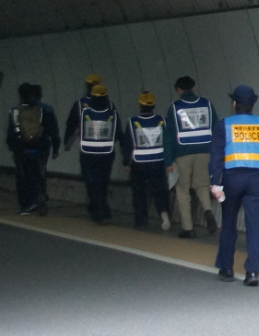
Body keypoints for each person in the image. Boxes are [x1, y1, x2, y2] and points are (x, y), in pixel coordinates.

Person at [210, 85, 259, 286]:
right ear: (252, 104)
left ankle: (227, 267)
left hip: (232, 178)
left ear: (234, 103)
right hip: (257, 179)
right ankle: (252, 273)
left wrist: (215, 181)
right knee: (255, 225)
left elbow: (216, 157)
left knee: (229, 221)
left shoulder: (224, 125)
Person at [166, 75, 219, 238]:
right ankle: (208, 211)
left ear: (179, 90)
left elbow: (169, 135)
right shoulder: (207, 104)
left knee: (183, 190)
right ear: (193, 88)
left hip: (183, 153)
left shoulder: (175, 107)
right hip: (205, 151)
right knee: (202, 185)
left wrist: (168, 160)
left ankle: (188, 228)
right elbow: (216, 127)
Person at [121, 92, 174, 232]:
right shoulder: (162, 120)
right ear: (154, 105)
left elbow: (128, 144)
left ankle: (141, 221)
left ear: (140, 105)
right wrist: (169, 161)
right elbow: (169, 141)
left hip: (139, 162)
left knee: (139, 193)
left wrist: (127, 163)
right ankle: (164, 213)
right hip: (158, 161)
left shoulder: (132, 122)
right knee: (160, 191)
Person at [7, 82, 59, 215]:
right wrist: (56, 147)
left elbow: (11, 133)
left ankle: (26, 205)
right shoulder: (45, 110)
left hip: (22, 148)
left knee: (23, 175)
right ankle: (40, 197)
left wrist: (13, 147)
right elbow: (53, 130)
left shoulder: (15, 111)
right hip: (41, 146)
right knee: (39, 172)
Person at [73, 83, 121, 225]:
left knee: (92, 183)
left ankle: (98, 212)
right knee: (103, 183)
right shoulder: (112, 112)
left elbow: (76, 128)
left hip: (88, 154)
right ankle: (103, 211)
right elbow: (117, 131)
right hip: (106, 153)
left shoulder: (85, 113)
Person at [62, 73, 104, 152]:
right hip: (104, 145)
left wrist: (67, 141)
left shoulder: (80, 103)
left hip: (86, 145)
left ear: (87, 86)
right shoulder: (108, 104)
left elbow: (71, 123)